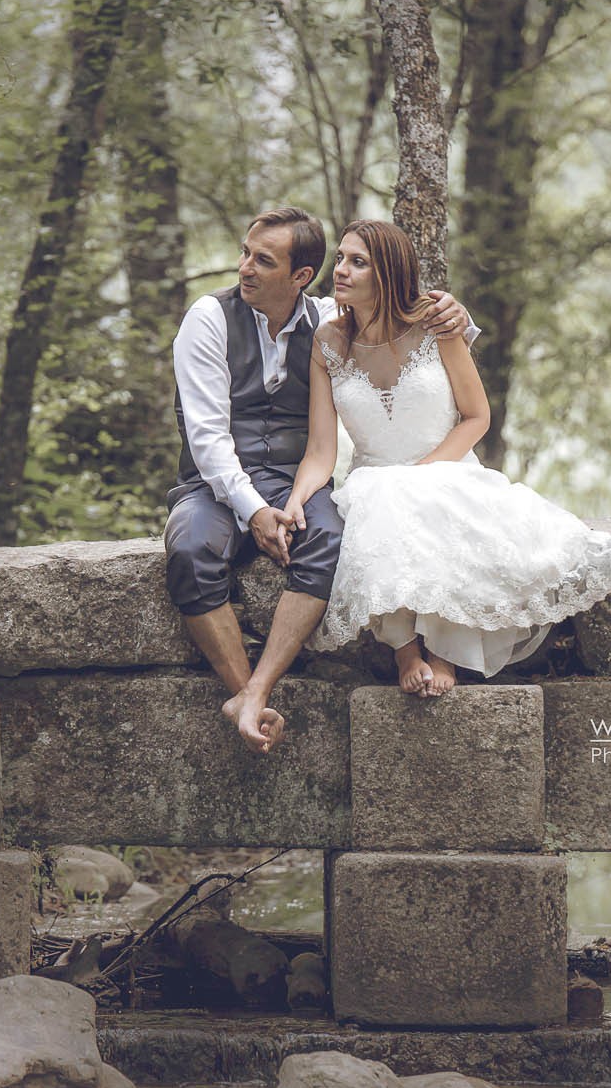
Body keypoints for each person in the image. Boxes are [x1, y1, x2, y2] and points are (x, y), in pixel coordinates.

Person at [163, 207, 473, 750]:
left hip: (293, 478)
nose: (244, 268)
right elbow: (207, 439)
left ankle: (255, 691)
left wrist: (455, 311)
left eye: (263, 260)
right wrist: (254, 510)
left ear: (300, 277)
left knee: (331, 540)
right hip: (215, 484)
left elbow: (403, 321)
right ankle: (248, 695)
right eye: (245, 253)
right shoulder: (208, 319)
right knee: (189, 549)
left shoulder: (330, 315)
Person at [285, 219, 611, 694]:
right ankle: (405, 652)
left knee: (434, 503)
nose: (340, 269)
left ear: (388, 274)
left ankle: (445, 653)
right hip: (374, 479)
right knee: (383, 502)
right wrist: (298, 498)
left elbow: (476, 417)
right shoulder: (327, 342)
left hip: (446, 465)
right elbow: (321, 449)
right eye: (340, 258)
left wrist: (428, 470)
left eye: (358, 262)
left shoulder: (436, 324)